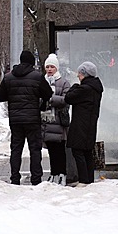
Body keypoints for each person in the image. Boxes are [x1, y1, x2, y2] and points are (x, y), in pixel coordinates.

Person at [0, 50, 53, 185]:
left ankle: (15, 178)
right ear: (32, 62)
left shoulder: (9, 77)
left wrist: (11, 95)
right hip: (32, 120)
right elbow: (48, 93)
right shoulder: (37, 77)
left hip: (15, 120)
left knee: (16, 149)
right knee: (35, 149)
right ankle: (36, 179)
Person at [64, 61, 104, 185]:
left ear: (85, 74)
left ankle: (84, 180)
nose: (78, 76)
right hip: (90, 125)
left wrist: (74, 86)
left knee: (78, 151)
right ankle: (89, 180)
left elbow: (68, 98)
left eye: (80, 73)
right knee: (87, 152)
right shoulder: (95, 88)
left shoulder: (85, 89)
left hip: (81, 125)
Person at [40, 53, 71, 185]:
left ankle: (62, 174)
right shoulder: (42, 81)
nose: (49, 69)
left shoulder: (63, 82)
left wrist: (50, 99)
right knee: (51, 151)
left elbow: (66, 100)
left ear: (57, 68)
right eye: (47, 67)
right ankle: (54, 173)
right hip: (46, 123)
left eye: (52, 66)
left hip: (58, 122)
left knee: (60, 151)